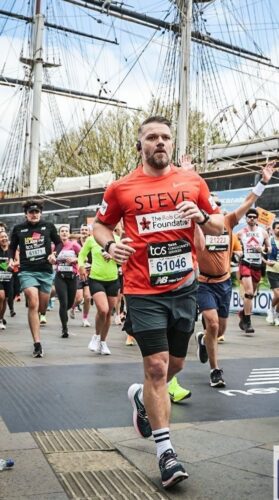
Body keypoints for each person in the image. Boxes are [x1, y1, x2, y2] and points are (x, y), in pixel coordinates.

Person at [93, 115, 223, 489]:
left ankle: (141, 400)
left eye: (166, 136)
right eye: (152, 137)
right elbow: (100, 226)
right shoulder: (121, 188)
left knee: (173, 366)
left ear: (172, 144)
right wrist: (109, 244)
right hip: (142, 290)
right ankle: (166, 453)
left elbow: (218, 223)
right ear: (141, 146)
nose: (160, 142)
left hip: (184, 289)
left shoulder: (193, 182)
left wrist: (201, 216)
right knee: (156, 368)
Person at [194, 162, 274, 388]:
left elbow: (249, 202)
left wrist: (263, 182)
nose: (217, 208)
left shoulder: (228, 221)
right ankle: (215, 370)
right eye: (213, 205)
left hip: (224, 283)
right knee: (211, 323)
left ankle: (203, 339)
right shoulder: (197, 225)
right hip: (204, 284)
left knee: (220, 329)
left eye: (219, 206)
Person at [9, 200, 60, 357]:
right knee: (33, 301)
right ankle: (37, 344)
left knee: (41, 307)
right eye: (31, 212)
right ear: (26, 214)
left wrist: (54, 254)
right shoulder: (19, 229)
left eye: (36, 212)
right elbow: (12, 247)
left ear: (40, 213)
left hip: (45, 271)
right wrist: (12, 258)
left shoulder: (48, 226)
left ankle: (41, 311)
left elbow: (58, 243)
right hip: (27, 271)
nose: (34, 215)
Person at [78, 232, 120, 355]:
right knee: (103, 310)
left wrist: (113, 257)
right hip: (96, 279)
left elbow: (123, 261)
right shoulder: (91, 239)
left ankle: (103, 342)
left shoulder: (117, 240)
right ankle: (96, 336)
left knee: (108, 314)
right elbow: (81, 255)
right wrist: (81, 266)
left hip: (113, 279)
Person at [237, 207, 270, 334]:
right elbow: (233, 246)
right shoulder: (240, 233)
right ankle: (248, 322)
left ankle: (243, 315)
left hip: (257, 265)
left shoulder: (263, 232)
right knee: (249, 293)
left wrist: (262, 249)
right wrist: (237, 253)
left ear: (257, 219)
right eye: (249, 216)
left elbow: (269, 249)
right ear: (246, 218)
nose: (251, 219)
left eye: (254, 217)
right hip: (245, 264)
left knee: (252, 295)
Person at [54, 225, 81, 338]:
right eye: (62, 231)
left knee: (69, 303)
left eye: (66, 231)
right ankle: (64, 328)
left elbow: (83, 257)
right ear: (59, 233)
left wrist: (75, 259)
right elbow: (51, 259)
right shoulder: (55, 246)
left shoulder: (75, 245)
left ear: (69, 234)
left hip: (72, 277)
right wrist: (51, 260)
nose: (64, 233)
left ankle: (65, 314)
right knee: (63, 302)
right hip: (60, 277)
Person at [71, 224, 92, 327]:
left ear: (89, 232)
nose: (84, 231)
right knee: (79, 298)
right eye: (82, 230)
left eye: (86, 230)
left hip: (89, 273)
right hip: (78, 272)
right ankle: (73, 307)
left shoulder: (93, 242)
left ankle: (85, 319)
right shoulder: (75, 244)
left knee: (87, 297)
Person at [265, 220, 279, 325]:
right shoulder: (269, 240)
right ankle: (271, 309)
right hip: (272, 271)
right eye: (278, 228)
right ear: (273, 230)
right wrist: (266, 262)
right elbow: (260, 253)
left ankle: (277, 314)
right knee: (278, 295)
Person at [0, 231, 13, 330]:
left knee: (5, 299)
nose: (4, 238)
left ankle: (1, 318)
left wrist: (13, 263)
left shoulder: (12, 249)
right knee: (1, 296)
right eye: (1, 237)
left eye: (5, 236)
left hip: (9, 277)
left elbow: (18, 260)